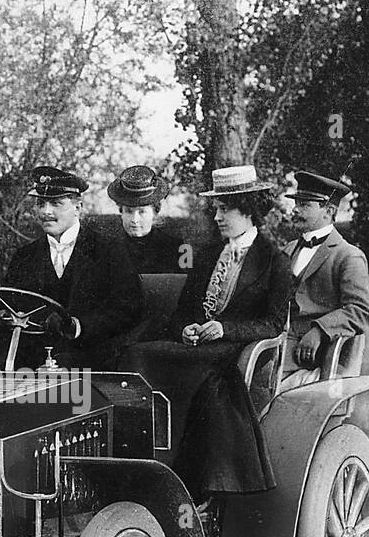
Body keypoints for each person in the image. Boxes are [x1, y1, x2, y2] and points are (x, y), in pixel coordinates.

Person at [124, 165, 292, 511]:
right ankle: (142, 469)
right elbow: (183, 312)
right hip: (194, 346)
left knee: (204, 382)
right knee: (136, 356)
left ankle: (194, 483)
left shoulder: (274, 261)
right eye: (215, 209)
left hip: (233, 350)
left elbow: (273, 324)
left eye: (224, 209)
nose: (217, 216)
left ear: (247, 209)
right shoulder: (206, 255)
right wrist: (183, 328)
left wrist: (225, 329)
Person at [0, 166, 142, 371]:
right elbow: (7, 303)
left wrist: (78, 325)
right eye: (41, 203)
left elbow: (128, 307)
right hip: (30, 355)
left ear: (78, 207)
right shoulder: (25, 256)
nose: (46, 212)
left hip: (89, 353)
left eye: (56, 203)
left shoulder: (109, 250)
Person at [280, 170, 369, 389]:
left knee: (252, 374)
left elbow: (362, 310)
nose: (295, 210)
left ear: (329, 211)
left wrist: (320, 330)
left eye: (304, 205)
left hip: (312, 352)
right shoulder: (287, 250)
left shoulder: (347, 255)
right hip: (279, 342)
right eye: (297, 203)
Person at [107, 165, 184, 275]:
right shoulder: (107, 249)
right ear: (121, 212)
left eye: (142, 212)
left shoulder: (174, 248)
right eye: (129, 211)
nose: (135, 220)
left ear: (155, 213)